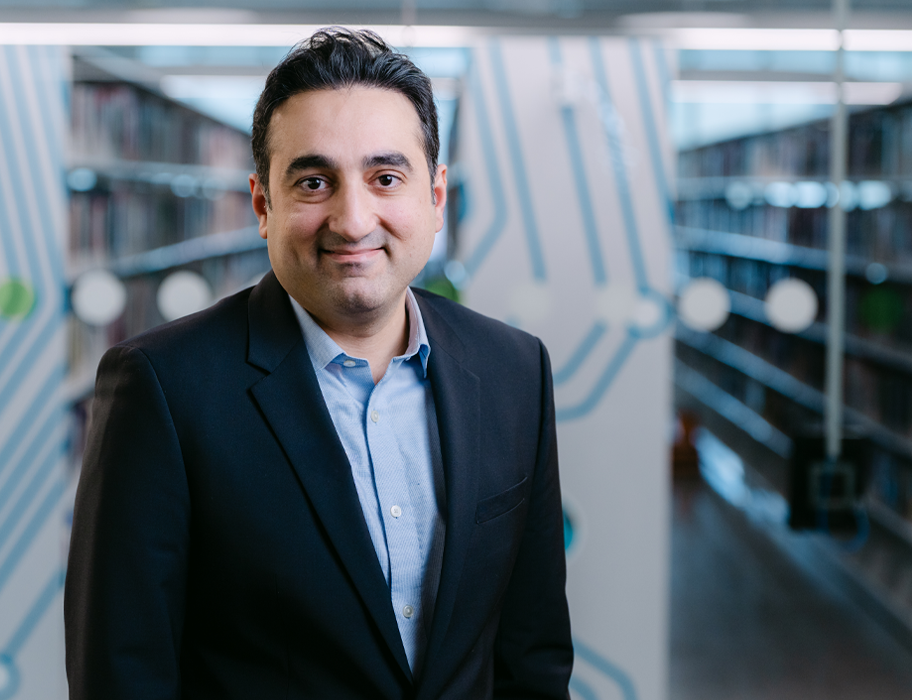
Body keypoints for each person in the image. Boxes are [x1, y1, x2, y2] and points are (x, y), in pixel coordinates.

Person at [64, 27, 573, 699]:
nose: (353, 219)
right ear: (262, 205)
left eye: (386, 178)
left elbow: (531, 656)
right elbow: (122, 677)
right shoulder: (162, 388)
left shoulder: (514, 371)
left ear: (436, 195)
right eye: (313, 181)